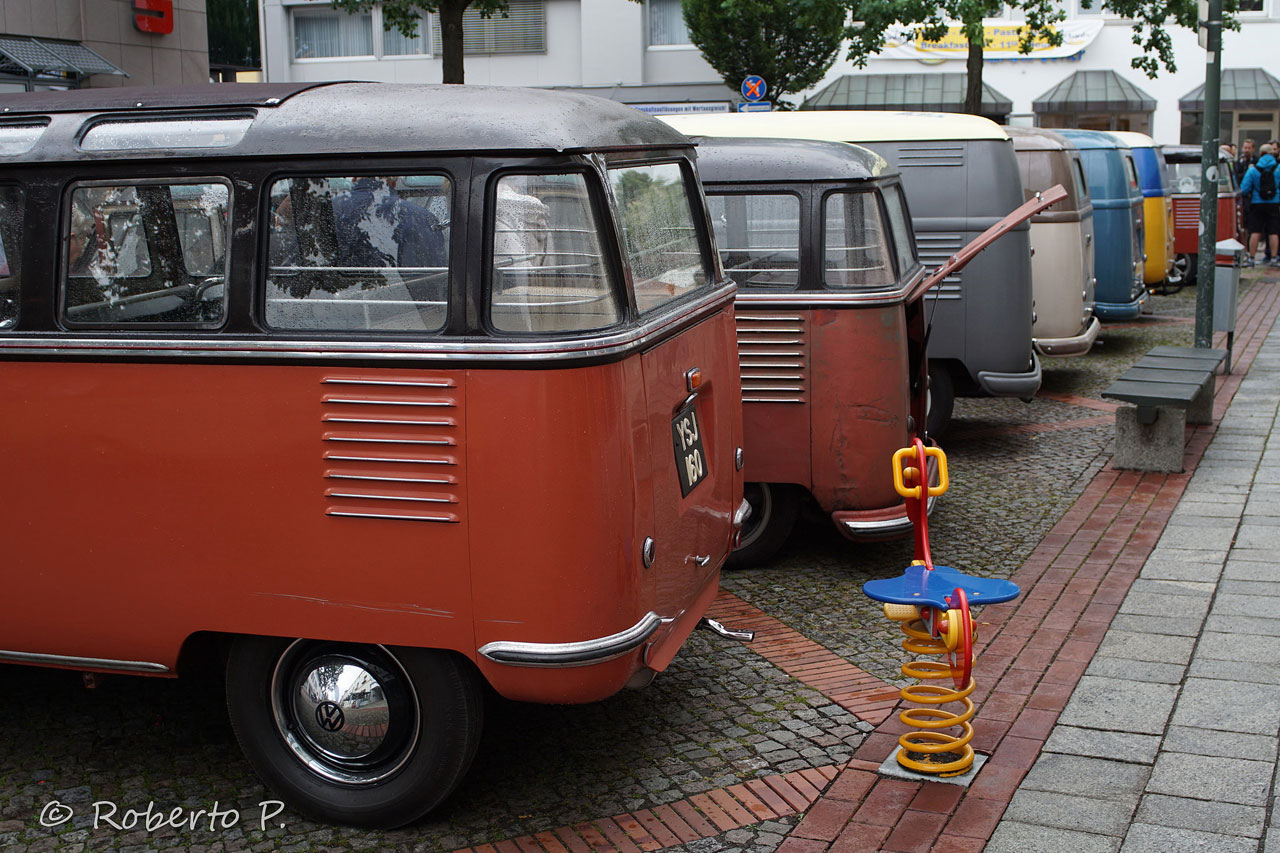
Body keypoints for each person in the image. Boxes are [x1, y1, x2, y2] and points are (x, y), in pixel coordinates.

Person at [1239, 143, 1280, 267]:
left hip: (1257, 203)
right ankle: (1274, 258)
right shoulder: (1278, 168)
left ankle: (1252, 258)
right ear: (1272, 153)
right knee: (1273, 232)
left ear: (1260, 153)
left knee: (1255, 231)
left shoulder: (1253, 169)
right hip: (1274, 203)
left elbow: (1244, 189)